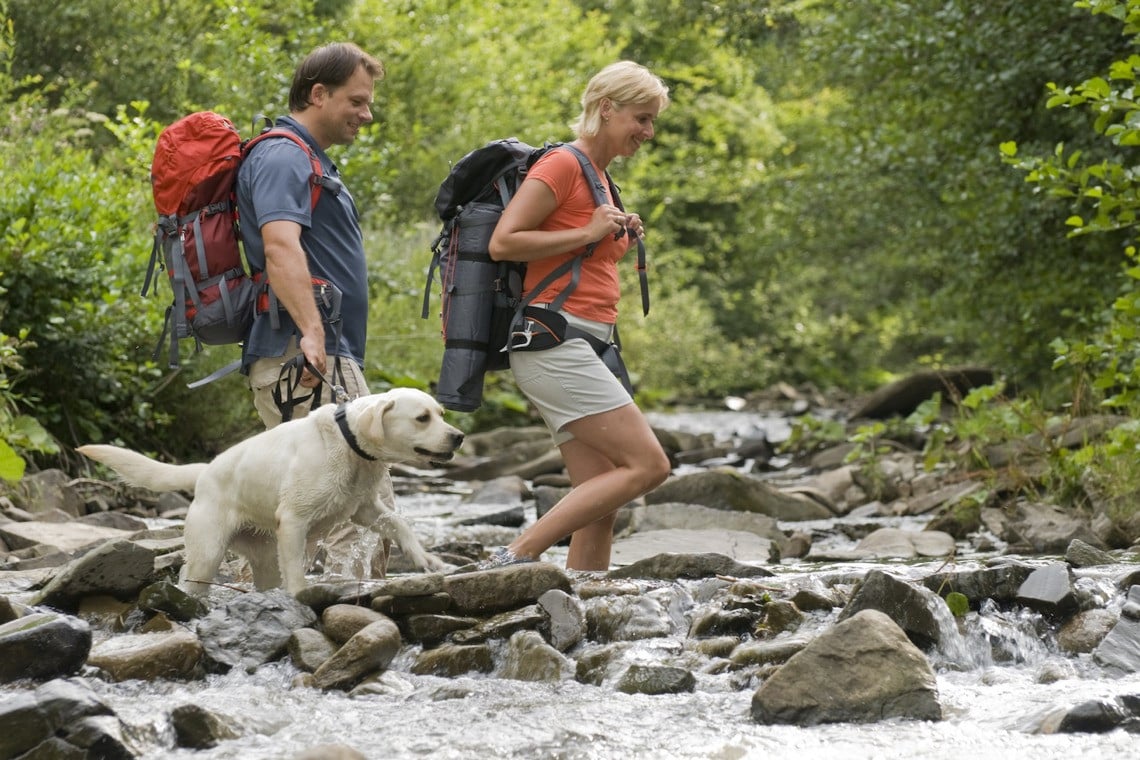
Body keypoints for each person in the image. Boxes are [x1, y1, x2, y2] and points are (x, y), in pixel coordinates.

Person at [482, 61, 673, 571]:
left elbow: (578, 252)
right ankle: (514, 554)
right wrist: (588, 234)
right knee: (650, 465)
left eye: (653, 121)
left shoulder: (602, 180)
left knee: (599, 504)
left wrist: (613, 237)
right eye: (642, 118)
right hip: (553, 342)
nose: (648, 132)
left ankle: (588, 609)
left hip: (588, 341)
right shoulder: (563, 165)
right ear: (606, 109)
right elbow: (504, 242)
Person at [237, 42, 385, 428]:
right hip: (307, 358)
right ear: (318, 94)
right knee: (364, 489)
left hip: (319, 355)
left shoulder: (307, 157)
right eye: (356, 101)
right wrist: (313, 333)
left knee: (342, 489)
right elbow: (280, 247)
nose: (366, 115)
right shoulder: (284, 156)